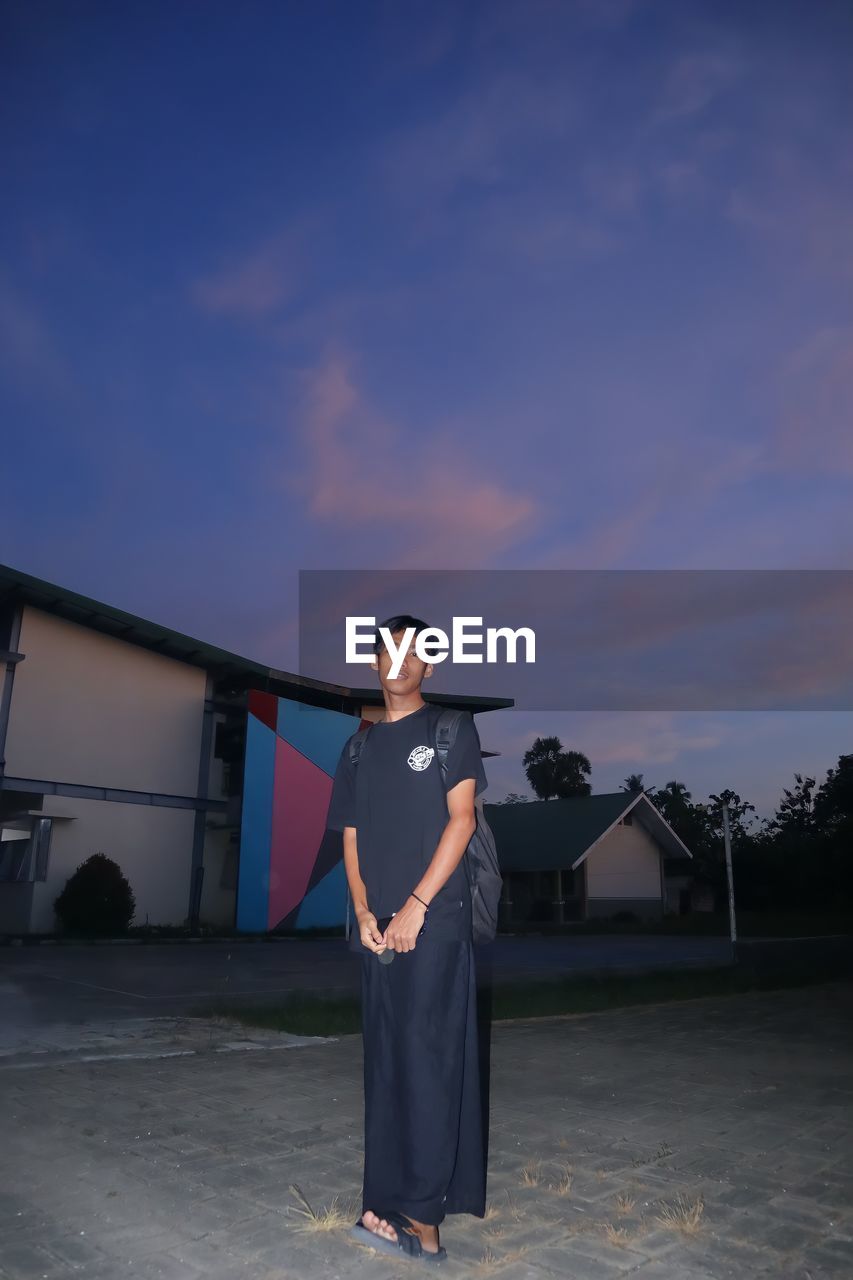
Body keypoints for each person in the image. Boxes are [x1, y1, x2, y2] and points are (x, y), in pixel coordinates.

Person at [325, 614, 489, 1265]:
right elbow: (351, 835)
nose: (398, 661)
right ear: (373, 662)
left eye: (412, 653)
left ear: (428, 667)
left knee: (427, 1060)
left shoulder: (450, 730)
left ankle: (424, 1219)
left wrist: (417, 907)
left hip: (434, 922)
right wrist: (364, 912)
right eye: (387, 650)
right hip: (379, 931)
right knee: (387, 1062)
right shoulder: (357, 747)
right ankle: (385, 1203)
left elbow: (461, 819)